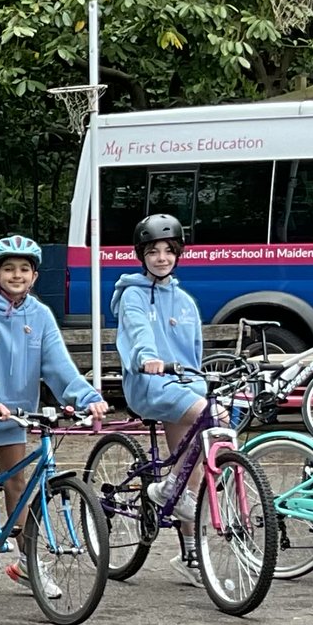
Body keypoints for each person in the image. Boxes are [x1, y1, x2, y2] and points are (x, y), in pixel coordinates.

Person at [0, 236, 108, 597]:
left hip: (15, 414)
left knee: (18, 485)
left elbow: (58, 366)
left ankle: (28, 563)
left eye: (24, 269)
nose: (17, 275)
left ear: (35, 275)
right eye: (9, 268)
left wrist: (87, 397)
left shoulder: (40, 315)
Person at [110, 213, 213, 587]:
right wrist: (146, 359)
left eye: (169, 250)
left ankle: (191, 554)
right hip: (149, 385)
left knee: (196, 472)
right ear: (142, 255)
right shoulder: (133, 295)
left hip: (183, 387)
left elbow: (195, 352)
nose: (161, 258)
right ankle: (171, 487)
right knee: (206, 416)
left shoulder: (185, 301)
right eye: (153, 251)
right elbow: (138, 333)